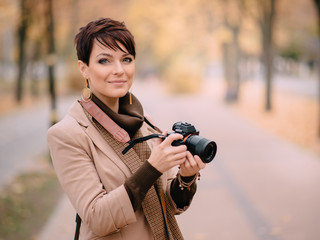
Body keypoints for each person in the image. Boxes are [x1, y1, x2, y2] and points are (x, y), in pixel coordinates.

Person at [46, 17, 206, 240]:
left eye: (126, 59)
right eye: (105, 61)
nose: (119, 70)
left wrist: (186, 177)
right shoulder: (66, 135)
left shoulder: (143, 120)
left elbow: (168, 204)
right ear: (83, 68)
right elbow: (98, 218)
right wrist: (153, 168)